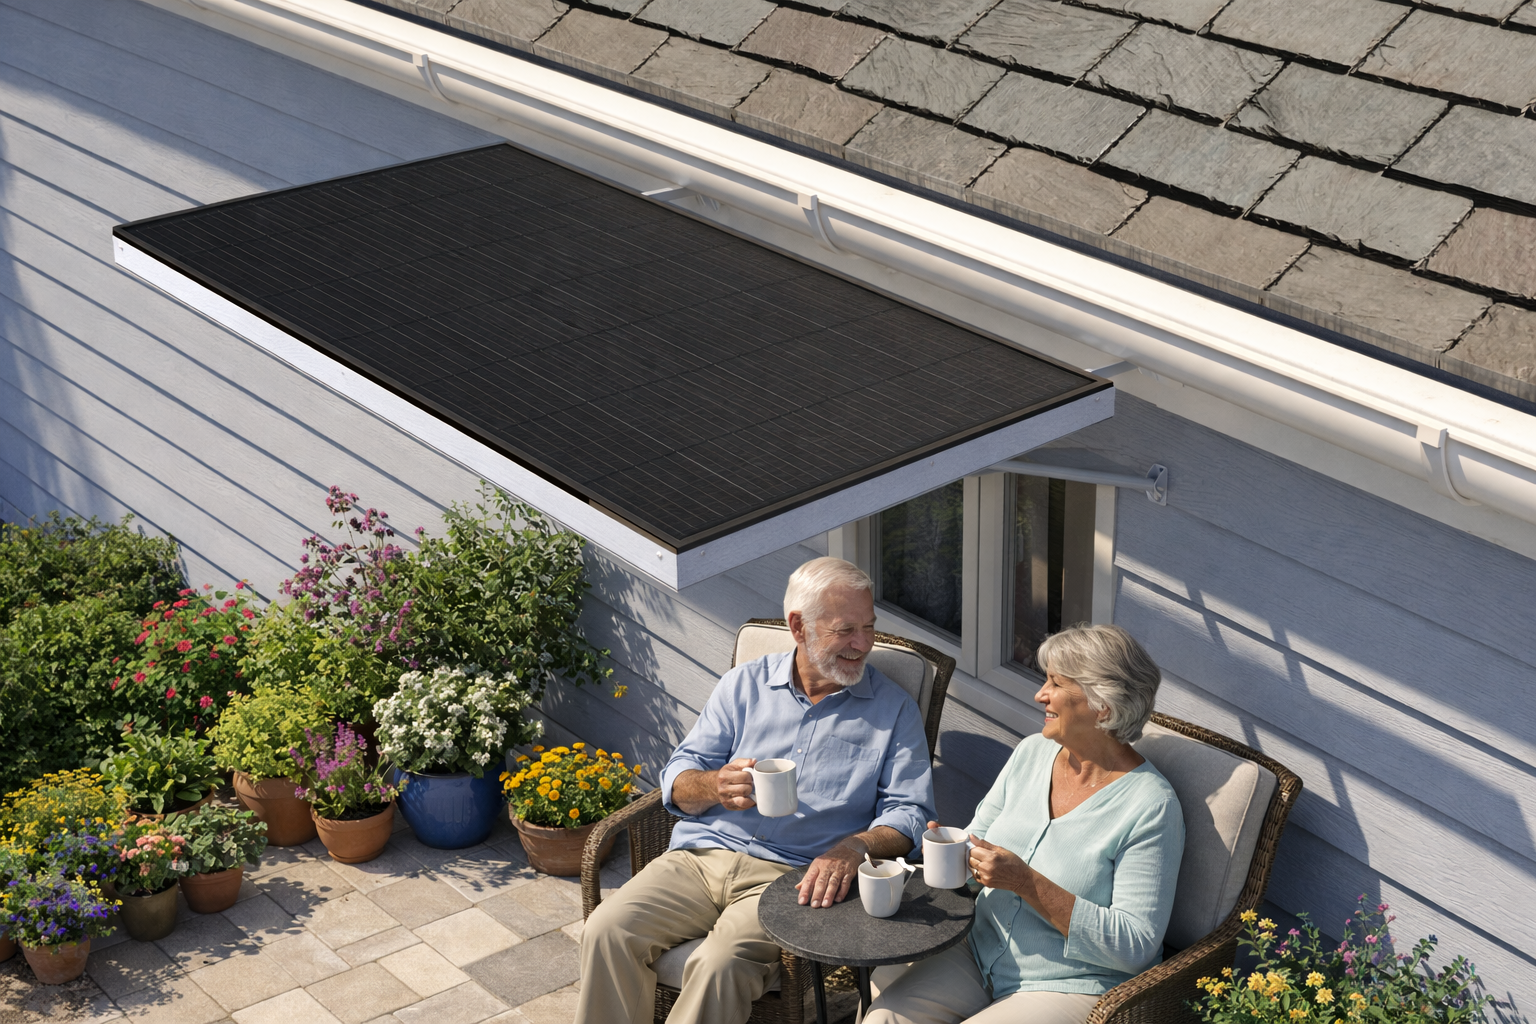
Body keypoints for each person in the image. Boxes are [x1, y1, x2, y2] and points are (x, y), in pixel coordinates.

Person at [576, 557, 936, 1024]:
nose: (863, 643)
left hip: (792, 879)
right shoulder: (743, 685)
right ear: (798, 627)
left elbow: (910, 813)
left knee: (719, 964)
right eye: (845, 630)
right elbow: (679, 778)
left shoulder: (895, 710)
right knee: (606, 930)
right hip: (698, 860)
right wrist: (714, 785)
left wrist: (853, 848)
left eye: (868, 627)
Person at [866, 624, 1184, 1024]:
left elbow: (1134, 944)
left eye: (1056, 683)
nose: (1040, 694)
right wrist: (953, 854)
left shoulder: (1152, 806)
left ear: (1102, 705)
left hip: (1068, 981)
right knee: (884, 1019)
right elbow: (979, 841)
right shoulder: (1032, 752)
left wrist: (1025, 882)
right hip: (979, 950)